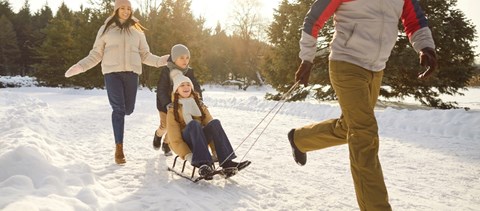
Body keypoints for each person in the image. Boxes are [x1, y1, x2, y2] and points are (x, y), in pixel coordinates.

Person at [288, 0, 437, 210]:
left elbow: (415, 21)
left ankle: (300, 139)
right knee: (364, 134)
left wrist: (426, 47)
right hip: (346, 63)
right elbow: (314, 18)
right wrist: (307, 58)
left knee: (349, 127)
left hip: (376, 68)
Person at [64, 0, 169, 165]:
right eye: (123, 8)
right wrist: (81, 66)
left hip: (131, 74)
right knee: (118, 110)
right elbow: (96, 54)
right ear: (116, 10)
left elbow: (146, 55)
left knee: (128, 109)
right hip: (112, 74)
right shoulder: (106, 29)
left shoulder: (137, 31)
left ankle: (120, 135)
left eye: (129, 8)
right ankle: (119, 148)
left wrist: (163, 60)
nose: (126, 11)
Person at [166, 70, 251, 179]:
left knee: (215, 123)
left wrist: (215, 151)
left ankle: (227, 162)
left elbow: (211, 127)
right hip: (186, 142)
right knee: (194, 125)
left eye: (188, 84)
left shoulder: (199, 104)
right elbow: (175, 139)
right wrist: (189, 156)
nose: (186, 87)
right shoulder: (172, 109)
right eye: (182, 85)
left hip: (200, 140)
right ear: (176, 90)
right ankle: (203, 164)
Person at [153, 44, 202, 156]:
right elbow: (161, 89)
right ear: (174, 59)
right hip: (165, 104)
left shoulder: (189, 72)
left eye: (187, 58)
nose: (185, 61)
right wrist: (166, 103)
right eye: (181, 58)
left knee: (175, 126)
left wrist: (199, 99)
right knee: (165, 125)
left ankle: (166, 143)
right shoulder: (167, 71)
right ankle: (158, 134)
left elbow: (196, 87)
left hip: (180, 104)